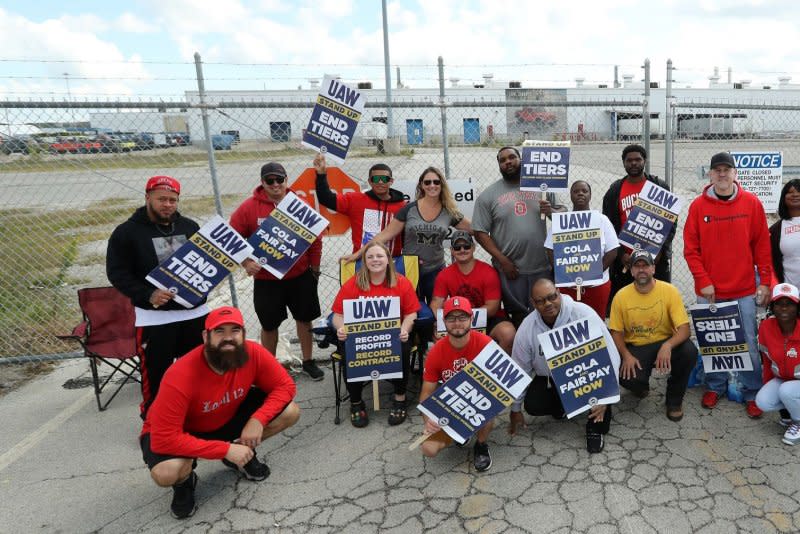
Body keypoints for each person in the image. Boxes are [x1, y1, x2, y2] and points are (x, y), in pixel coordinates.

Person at [139, 306, 299, 519]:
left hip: (225, 416)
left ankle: (241, 454)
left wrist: (257, 420)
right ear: (206, 336)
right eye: (219, 331)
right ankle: (184, 482)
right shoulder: (180, 375)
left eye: (234, 330)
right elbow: (163, 439)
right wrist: (224, 449)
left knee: (290, 411)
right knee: (166, 472)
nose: (228, 338)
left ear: (243, 333)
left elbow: (285, 386)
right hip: (184, 431)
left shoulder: (253, 352)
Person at [106, 175, 207, 417]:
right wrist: (147, 294)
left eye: (173, 200)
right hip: (155, 319)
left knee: (197, 371)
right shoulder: (126, 233)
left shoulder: (190, 227)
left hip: (194, 314)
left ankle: (195, 416)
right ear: (147, 197)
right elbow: (117, 273)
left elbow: (206, 263)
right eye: (162, 199)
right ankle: (154, 423)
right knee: (157, 375)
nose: (168, 205)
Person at [684, 151, 771, 417]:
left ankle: (752, 392)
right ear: (710, 174)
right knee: (713, 343)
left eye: (727, 169)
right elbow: (691, 249)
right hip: (710, 292)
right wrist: (703, 281)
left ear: (735, 173)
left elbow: (762, 247)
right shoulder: (698, 206)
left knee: (747, 342)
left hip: (743, 289)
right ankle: (715, 386)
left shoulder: (751, 203)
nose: (722, 174)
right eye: (717, 170)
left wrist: (765, 282)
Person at [229, 162, 324, 381]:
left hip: (299, 276)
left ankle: (309, 361)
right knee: (269, 325)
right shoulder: (248, 207)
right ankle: (269, 368)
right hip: (266, 280)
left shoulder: (299, 204)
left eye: (279, 180)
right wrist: (246, 262)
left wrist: (315, 269)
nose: (275, 185)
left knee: (304, 319)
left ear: (286, 180)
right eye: (270, 181)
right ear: (262, 182)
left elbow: (315, 240)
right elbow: (231, 238)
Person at [509, 279, 618, 453]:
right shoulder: (527, 327)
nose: (548, 304)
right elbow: (519, 369)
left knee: (601, 422)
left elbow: (611, 354)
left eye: (552, 297)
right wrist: (515, 408)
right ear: (533, 303)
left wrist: (606, 396)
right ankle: (564, 406)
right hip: (554, 379)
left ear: (559, 294)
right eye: (540, 301)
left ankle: (594, 427)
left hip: (591, 376)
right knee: (533, 405)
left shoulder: (583, 313)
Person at [343, 166, 471, 304]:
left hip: (435, 269)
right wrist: (357, 254)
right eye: (427, 182)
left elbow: (475, 228)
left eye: (436, 182)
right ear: (421, 185)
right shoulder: (409, 209)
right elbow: (383, 236)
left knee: (435, 313)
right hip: (409, 269)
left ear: (442, 185)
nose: (432, 185)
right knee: (411, 311)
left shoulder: (449, 211)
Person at [473, 146, 565, 325]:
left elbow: (563, 213)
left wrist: (551, 211)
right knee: (518, 317)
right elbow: (480, 232)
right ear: (499, 165)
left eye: (512, 157)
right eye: (503, 160)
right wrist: (503, 260)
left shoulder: (542, 187)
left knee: (548, 314)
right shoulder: (488, 196)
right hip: (511, 269)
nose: (508, 162)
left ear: (521, 159)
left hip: (541, 266)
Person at [332, 241, 420, 427]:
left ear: (388, 259)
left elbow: (412, 313)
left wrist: (405, 329)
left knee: (402, 347)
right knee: (348, 351)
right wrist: (341, 328)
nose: (375, 260)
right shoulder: (354, 283)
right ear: (364, 261)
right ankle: (356, 403)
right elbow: (337, 315)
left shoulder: (401, 282)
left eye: (379, 256)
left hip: (392, 336)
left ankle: (400, 398)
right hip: (360, 338)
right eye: (370, 256)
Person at [608, 251, 698, 421]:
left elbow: (685, 329)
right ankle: (640, 386)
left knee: (689, 352)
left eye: (646, 265)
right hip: (637, 346)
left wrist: (667, 346)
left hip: (665, 341)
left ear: (653, 269)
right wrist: (626, 356)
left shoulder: (669, 291)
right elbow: (616, 332)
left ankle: (674, 400)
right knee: (627, 376)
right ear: (631, 270)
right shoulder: (621, 296)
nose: (642, 270)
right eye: (637, 266)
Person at [419, 296, 496, 471]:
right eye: (451, 318)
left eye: (462, 317)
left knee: (490, 404)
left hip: (479, 402)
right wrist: (428, 419)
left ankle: (481, 445)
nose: (457, 323)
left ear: (472, 319)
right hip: (451, 405)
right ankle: (460, 433)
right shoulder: (436, 351)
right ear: (444, 322)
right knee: (428, 449)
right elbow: (426, 392)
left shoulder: (486, 344)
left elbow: (500, 386)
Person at [602, 144, 674, 308]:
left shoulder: (659, 187)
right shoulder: (615, 190)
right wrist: (621, 255)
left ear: (644, 161)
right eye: (629, 160)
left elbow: (670, 224)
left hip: (655, 259)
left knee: (660, 302)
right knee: (627, 304)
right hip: (626, 262)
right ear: (624, 163)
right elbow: (609, 227)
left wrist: (659, 251)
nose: (634, 163)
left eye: (638, 160)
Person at [430, 230, 516, 354]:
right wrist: (441, 323)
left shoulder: (488, 272)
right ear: (452, 250)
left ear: (474, 248)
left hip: (488, 318)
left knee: (508, 334)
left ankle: (494, 371)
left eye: (466, 246)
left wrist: (467, 319)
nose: (462, 250)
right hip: (458, 319)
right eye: (457, 247)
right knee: (438, 336)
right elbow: (435, 304)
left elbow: (492, 308)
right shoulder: (444, 275)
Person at [545, 180, 619, 318]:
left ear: (590, 195)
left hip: (597, 286)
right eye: (576, 191)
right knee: (568, 322)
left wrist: (593, 273)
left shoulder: (602, 220)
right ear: (571, 195)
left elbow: (612, 251)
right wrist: (563, 271)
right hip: (568, 286)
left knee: (596, 322)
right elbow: (550, 249)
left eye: (584, 191)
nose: (580, 194)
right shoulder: (561, 221)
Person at [314, 153, 406, 255]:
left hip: (393, 261)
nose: (380, 182)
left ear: (391, 181)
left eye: (384, 179)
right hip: (361, 260)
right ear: (370, 182)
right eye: (375, 179)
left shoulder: (402, 206)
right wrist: (321, 174)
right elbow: (326, 198)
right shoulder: (355, 200)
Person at [756, 283, 800, 444]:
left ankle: (798, 422)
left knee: (787, 390)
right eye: (779, 304)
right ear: (772, 307)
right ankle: (790, 413)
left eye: (789, 304)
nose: (784, 308)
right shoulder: (766, 327)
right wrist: (768, 385)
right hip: (784, 379)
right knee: (763, 401)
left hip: (792, 384)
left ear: (797, 307)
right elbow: (766, 361)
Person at [769, 179, 800, 286]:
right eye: (790, 192)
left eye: (799, 191)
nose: (795, 195)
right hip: (789, 294)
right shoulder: (775, 230)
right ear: (783, 197)